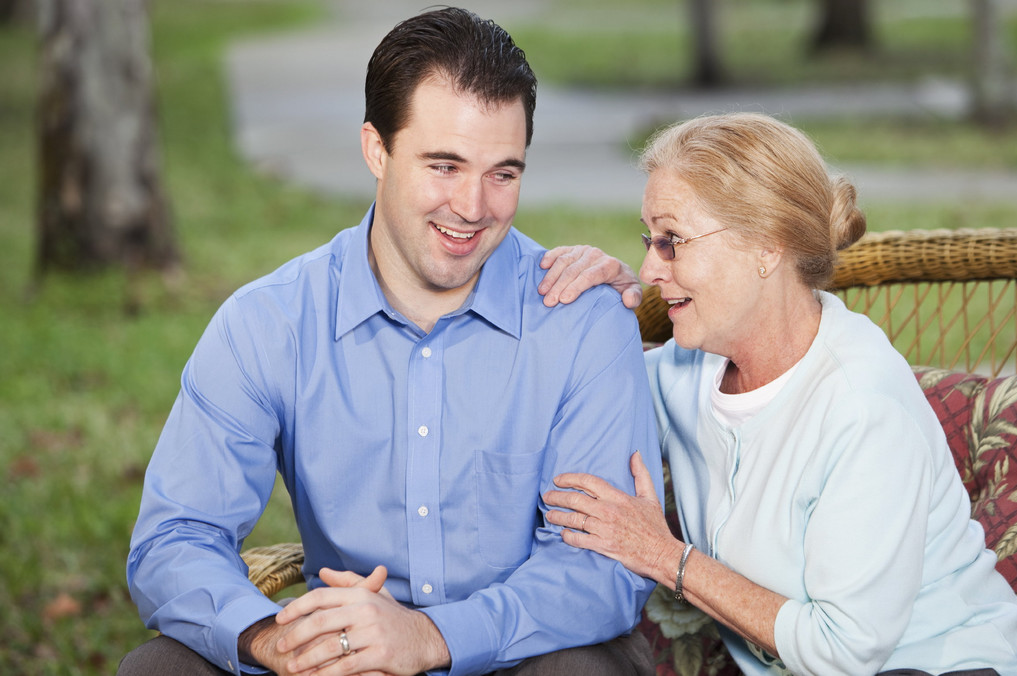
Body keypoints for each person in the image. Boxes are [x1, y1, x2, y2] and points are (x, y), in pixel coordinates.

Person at [120, 8, 661, 676]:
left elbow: (601, 572)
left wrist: (431, 638)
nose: (473, 206)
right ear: (376, 149)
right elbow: (175, 538)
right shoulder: (271, 323)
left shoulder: (581, 322)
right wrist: (274, 639)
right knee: (160, 669)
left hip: (520, 655)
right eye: (444, 165)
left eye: (504, 173)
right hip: (339, 660)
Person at [538, 112, 1017, 675]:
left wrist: (662, 555)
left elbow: (844, 650)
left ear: (766, 246)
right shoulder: (685, 370)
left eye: (672, 241)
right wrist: (600, 303)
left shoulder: (860, 405)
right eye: (647, 239)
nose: (649, 267)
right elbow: (576, 397)